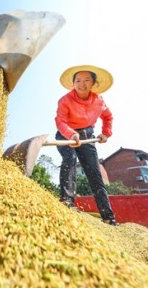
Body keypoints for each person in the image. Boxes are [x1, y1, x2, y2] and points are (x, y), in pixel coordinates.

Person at [55, 65, 119, 226]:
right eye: (77, 80)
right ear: (73, 83)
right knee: (69, 160)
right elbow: (60, 121)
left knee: (94, 173)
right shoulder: (65, 100)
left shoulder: (99, 100)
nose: (81, 84)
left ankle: (108, 216)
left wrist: (106, 133)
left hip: (87, 138)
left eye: (86, 80)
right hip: (66, 135)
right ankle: (67, 202)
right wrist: (71, 134)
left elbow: (108, 117)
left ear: (93, 84)